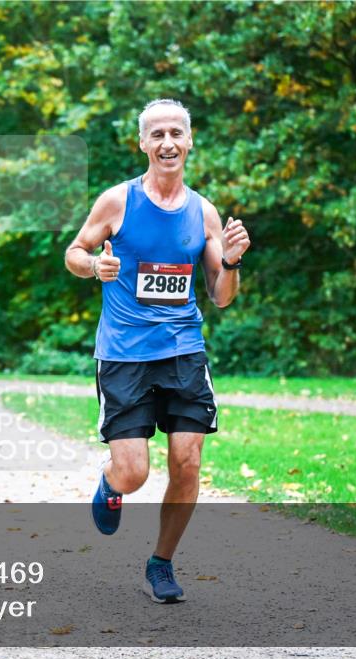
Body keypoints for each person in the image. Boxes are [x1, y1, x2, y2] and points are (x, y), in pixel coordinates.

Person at [64, 99, 250, 603]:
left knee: (187, 460)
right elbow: (75, 251)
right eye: (157, 134)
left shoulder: (203, 211)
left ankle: (161, 564)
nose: (167, 142)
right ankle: (111, 484)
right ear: (143, 144)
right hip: (124, 353)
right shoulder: (117, 202)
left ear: (189, 141)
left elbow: (221, 295)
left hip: (184, 350)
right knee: (135, 472)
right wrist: (93, 268)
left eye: (176, 133)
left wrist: (230, 262)